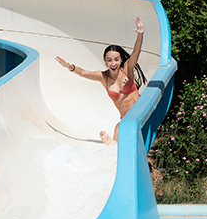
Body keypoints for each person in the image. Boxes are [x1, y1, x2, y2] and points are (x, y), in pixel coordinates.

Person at [54, 16, 145, 145]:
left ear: (121, 60)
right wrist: (70, 67)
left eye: (116, 59)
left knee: (122, 131)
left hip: (140, 112)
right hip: (126, 119)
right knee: (118, 132)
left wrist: (140, 34)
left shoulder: (127, 69)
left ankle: (113, 141)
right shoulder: (103, 77)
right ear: (105, 62)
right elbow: (84, 73)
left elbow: (136, 51)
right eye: (109, 60)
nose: (113, 63)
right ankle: (112, 142)